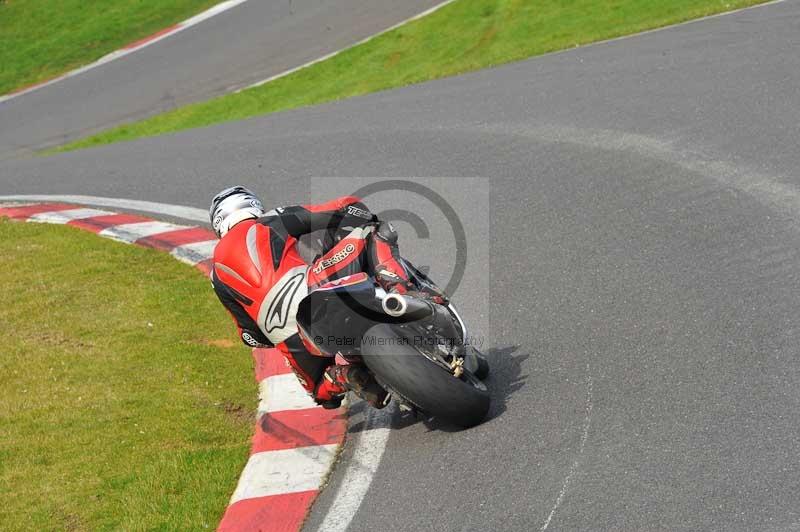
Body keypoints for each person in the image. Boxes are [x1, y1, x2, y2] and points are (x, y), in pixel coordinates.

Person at [209, 186, 421, 410]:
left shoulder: (216, 275)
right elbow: (334, 211)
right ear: (252, 205)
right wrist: (360, 211)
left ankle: (345, 375)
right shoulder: (269, 220)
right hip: (311, 286)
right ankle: (400, 291)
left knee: (321, 392)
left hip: (284, 333)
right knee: (374, 231)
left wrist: (278, 332)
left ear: (219, 223)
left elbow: (249, 336)